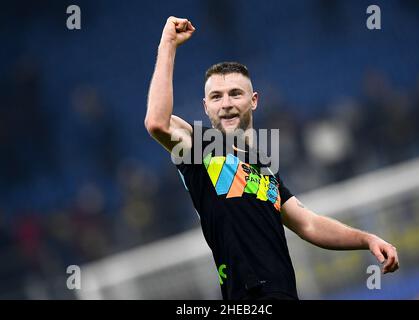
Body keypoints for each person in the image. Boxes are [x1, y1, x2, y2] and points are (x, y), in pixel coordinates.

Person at [144, 16, 399, 300]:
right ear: (206, 107)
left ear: (254, 100)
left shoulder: (264, 166)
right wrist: (167, 44)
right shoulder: (199, 147)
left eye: (235, 94)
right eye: (216, 97)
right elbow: (158, 123)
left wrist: (367, 239)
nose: (226, 103)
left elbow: (309, 224)